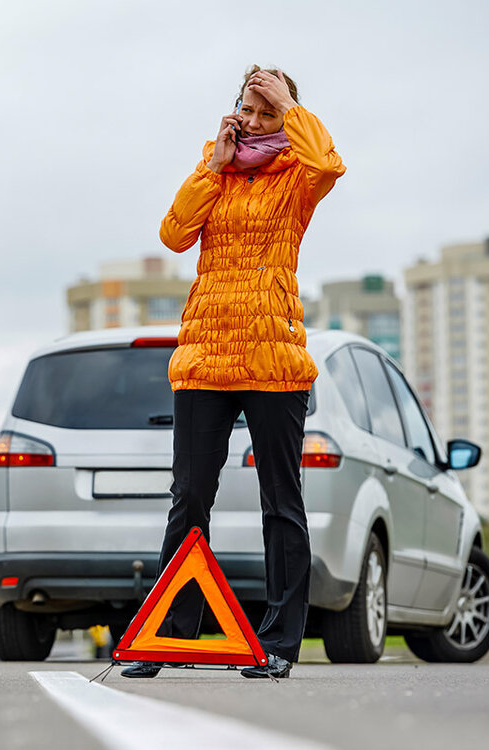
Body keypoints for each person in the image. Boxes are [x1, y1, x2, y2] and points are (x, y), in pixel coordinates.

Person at [122, 66, 345, 680]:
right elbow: (173, 235)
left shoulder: (299, 174)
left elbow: (330, 165)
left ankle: (279, 642)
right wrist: (211, 168)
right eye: (246, 108)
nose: (250, 120)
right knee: (190, 496)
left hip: (273, 359)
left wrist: (290, 108)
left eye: (266, 112)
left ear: (287, 119)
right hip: (203, 359)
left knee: (281, 500)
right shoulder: (215, 168)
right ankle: (172, 636)